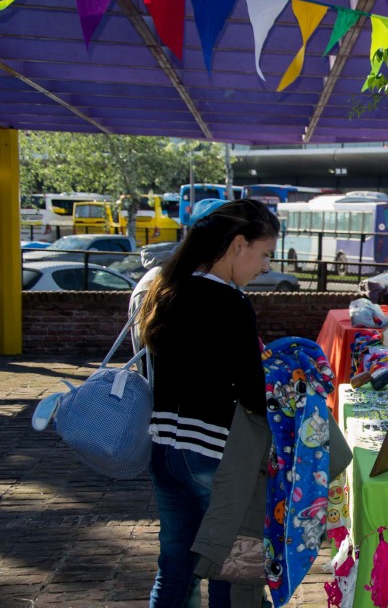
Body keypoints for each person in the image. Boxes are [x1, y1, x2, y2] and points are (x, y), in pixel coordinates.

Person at [138, 198, 279, 607]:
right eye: (265, 253)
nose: (266, 266)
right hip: (213, 455)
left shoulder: (166, 289)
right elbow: (254, 394)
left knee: (175, 570)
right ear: (238, 244)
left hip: (164, 451)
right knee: (231, 576)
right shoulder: (231, 304)